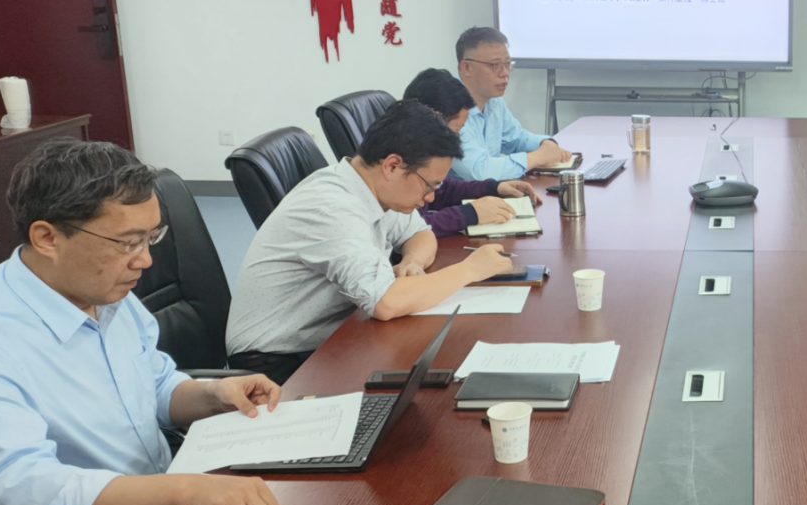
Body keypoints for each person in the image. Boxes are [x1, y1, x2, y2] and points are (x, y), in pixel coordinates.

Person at [0, 138, 285, 505]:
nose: (145, 259)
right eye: (128, 243)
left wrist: (212, 395)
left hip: (156, 503)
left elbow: (153, 384)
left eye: (151, 237)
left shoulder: (101, 289)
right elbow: (23, 488)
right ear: (47, 238)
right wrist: (184, 490)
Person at [226, 100, 513, 383]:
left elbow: (420, 233)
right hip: (275, 366)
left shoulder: (373, 188)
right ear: (392, 166)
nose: (430, 197)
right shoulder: (332, 206)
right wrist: (469, 270)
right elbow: (386, 302)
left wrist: (412, 261)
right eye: (430, 185)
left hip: (331, 336)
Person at [402, 68, 542, 236]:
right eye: (456, 131)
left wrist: (493, 187)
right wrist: (470, 213)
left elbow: (442, 190)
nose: (457, 139)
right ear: (434, 121)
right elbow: (407, 228)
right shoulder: (402, 161)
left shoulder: (420, 154)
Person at [450, 26, 572, 179]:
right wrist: (539, 156)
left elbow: (515, 138)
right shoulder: (447, 106)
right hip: (451, 194)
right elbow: (479, 171)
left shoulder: (494, 101)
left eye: (507, 64)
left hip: (487, 191)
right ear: (466, 67)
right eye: (495, 65)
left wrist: (545, 143)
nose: (505, 73)